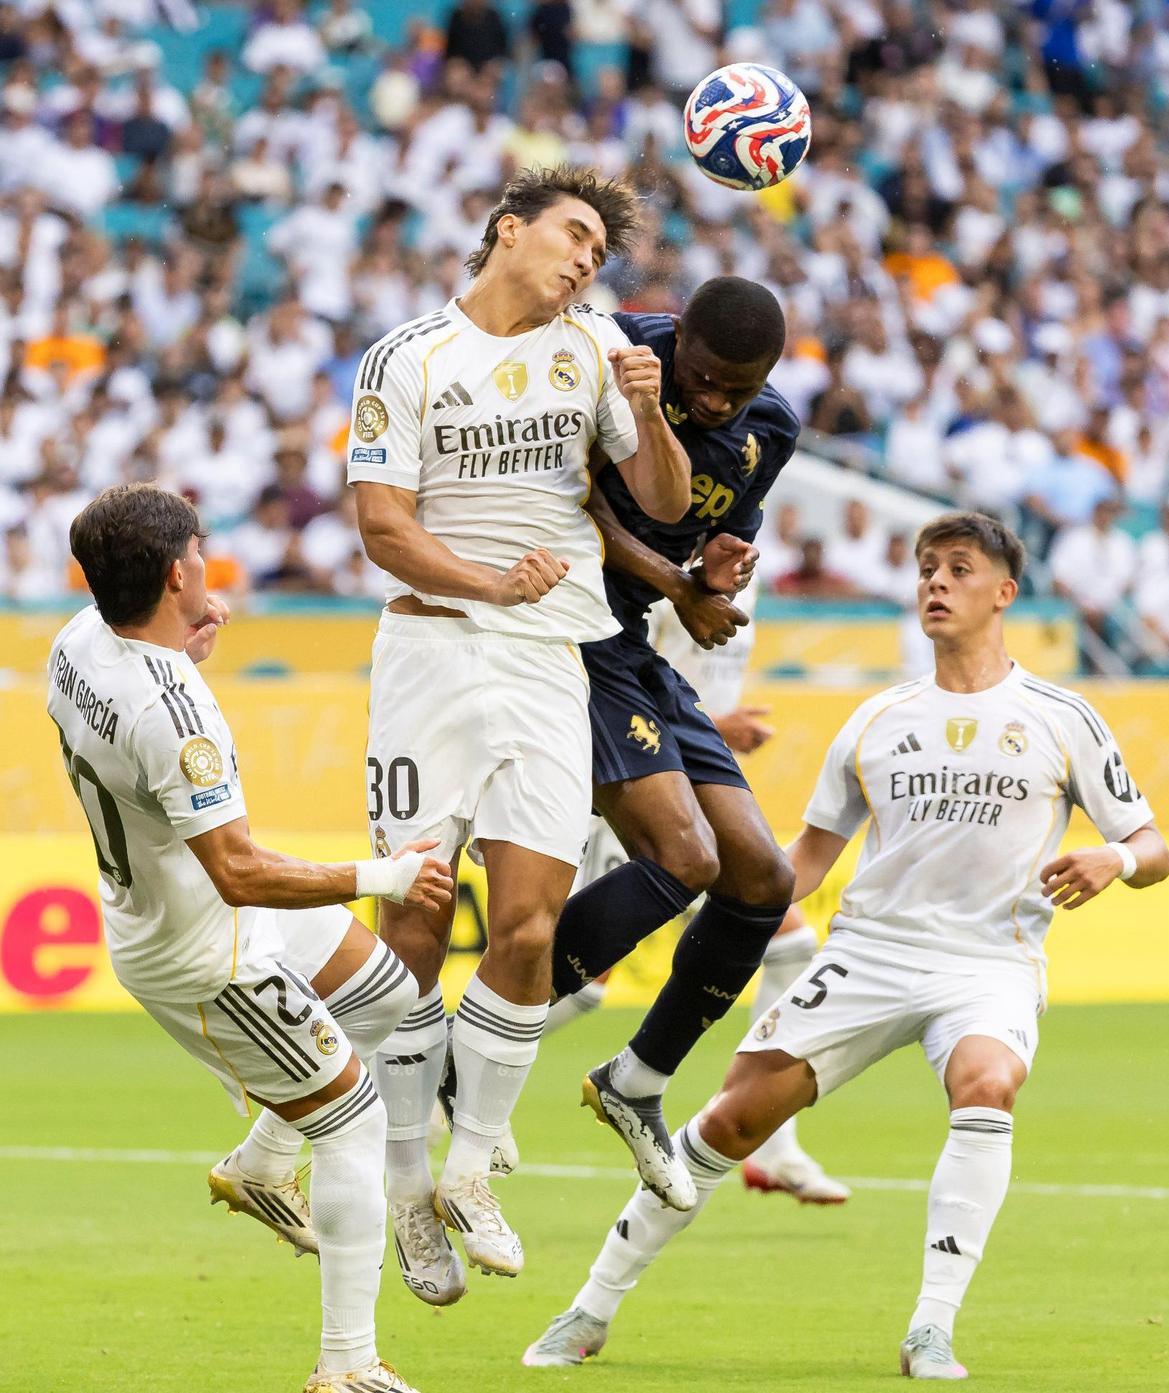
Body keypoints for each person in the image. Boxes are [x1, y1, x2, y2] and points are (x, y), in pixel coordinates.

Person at [524, 510, 1169, 1380]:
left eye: (959, 569)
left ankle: (930, 1329)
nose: (936, 582)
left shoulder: (1064, 716)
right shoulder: (877, 719)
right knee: (730, 1122)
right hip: (867, 956)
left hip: (988, 965)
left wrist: (1115, 854)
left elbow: (1155, 848)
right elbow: (802, 865)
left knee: (987, 1085)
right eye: (927, 568)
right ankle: (588, 1308)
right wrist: (706, 912)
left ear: (1004, 594)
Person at [347, 166, 691, 1300]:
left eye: (601, 250)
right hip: (434, 654)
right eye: (575, 236)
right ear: (509, 231)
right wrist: (489, 584)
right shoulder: (407, 359)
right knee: (413, 915)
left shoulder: (593, 348)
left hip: (550, 657)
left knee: (534, 925)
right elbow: (383, 528)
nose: (589, 261)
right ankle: (405, 1188)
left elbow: (666, 501)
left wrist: (644, 408)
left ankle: (471, 1163)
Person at [47, 483, 453, 1393]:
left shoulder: (76, 640)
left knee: (387, 993)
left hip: (179, 897)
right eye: (200, 557)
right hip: (208, 952)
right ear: (175, 572)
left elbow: (140, 687)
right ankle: (346, 1366)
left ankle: (262, 1163)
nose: (211, 576)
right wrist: (381, 875)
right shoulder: (176, 717)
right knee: (354, 1118)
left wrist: (181, 642)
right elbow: (238, 868)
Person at [546, 278, 800, 1211]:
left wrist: (717, 567)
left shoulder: (770, 426)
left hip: (639, 643)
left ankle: (636, 1083)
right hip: (566, 628)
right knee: (683, 855)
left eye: (738, 387)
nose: (716, 401)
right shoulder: (608, 355)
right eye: (702, 376)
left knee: (763, 880)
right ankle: (485, 1034)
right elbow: (570, 506)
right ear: (676, 336)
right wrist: (678, 584)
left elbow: (717, 540)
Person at [545, 573, 851, 1206]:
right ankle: (448, 1068)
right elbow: (599, 671)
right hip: (631, 777)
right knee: (585, 987)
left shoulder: (742, 562)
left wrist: (707, 734)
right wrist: (717, 725)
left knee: (785, 932)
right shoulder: (659, 563)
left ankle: (773, 1144)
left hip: (689, 775)